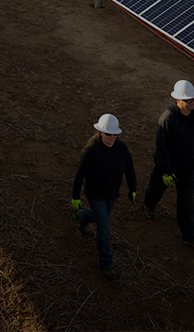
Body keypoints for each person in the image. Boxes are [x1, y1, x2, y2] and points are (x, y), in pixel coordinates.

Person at [71, 113, 137, 281]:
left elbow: (129, 169)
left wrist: (133, 188)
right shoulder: (91, 152)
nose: (112, 137)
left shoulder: (122, 149)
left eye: (115, 134)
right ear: (100, 133)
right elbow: (79, 176)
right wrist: (75, 196)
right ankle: (106, 264)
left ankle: (82, 216)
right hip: (96, 195)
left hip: (112, 194)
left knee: (100, 217)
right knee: (104, 229)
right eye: (109, 134)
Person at [144, 80, 194, 251]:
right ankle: (149, 204)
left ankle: (189, 236)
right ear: (178, 100)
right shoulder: (167, 120)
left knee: (186, 203)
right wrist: (165, 172)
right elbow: (161, 147)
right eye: (189, 100)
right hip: (168, 168)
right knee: (156, 189)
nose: (192, 102)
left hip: (188, 169)